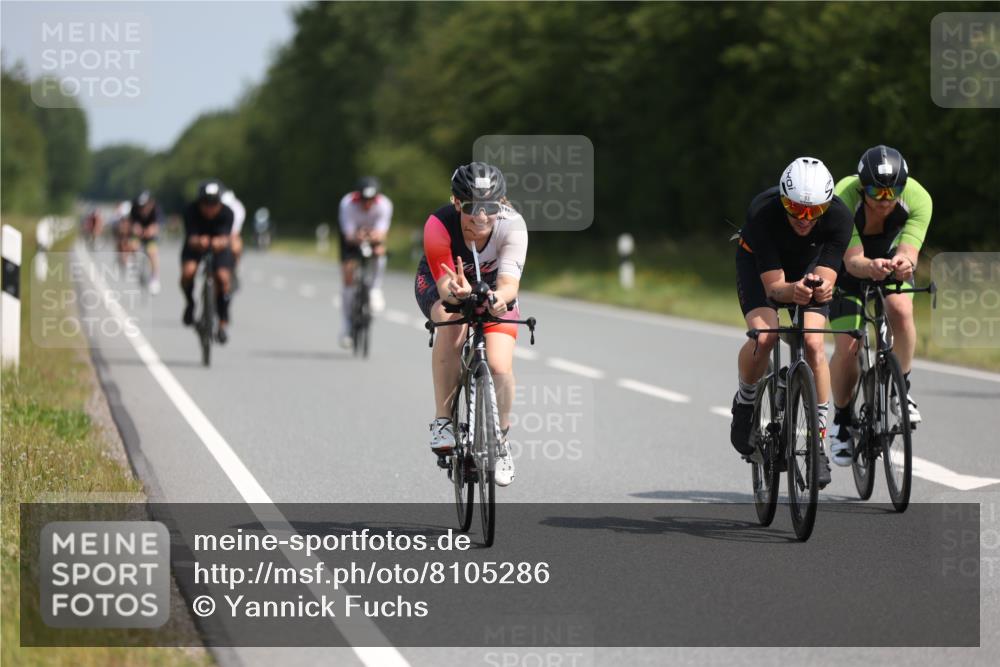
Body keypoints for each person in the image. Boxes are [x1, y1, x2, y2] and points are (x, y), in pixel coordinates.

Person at [730, 157, 854, 489]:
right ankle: (745, 401)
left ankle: (818, 444)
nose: (803, 219)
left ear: (826, 207)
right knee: (766, 335)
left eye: (813, 212)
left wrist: (821, 287)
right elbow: (774, 288)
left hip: (808, 264)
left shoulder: (841, 217)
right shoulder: (763, 211)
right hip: (760, 266)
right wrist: (791, 290)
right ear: (783, 199)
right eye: (795, 209)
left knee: (814, 344)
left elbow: (826, 275)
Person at [414, 162, 528, 487]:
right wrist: (457, 293)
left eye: (490, 208)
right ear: (455, 203)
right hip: (446, 282)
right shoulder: (439, 224)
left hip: (494, 288)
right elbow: (446, 289)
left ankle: (501, 440)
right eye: (470, 207)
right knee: (451, 321)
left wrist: (495, 298)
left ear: (502, 205)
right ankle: (443, 421)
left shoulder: (513, 227)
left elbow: (509, 286)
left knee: (499, 365)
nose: (480, 218)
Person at [827, 146, 932, 466]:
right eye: (876, 190)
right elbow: (854, 260)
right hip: (848, 269)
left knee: (900, 309)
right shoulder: (843, 197)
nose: (885, 198)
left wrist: (904, 263)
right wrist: (868, 267)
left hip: (888, 264)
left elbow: (910, 253)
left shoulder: (918, 198)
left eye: (892, 190)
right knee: (848, 346)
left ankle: (903, 388)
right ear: (862, 186)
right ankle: (841, 421)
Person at [338, 177, 392, 347]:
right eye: (364, 200)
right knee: (348, 273)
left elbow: (382, 232)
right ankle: (347, 325)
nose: (367, 204)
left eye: (371, 201)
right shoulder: (347, 204)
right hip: (352, 238)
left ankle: (375, 288)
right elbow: (348, 235)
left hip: (372, 236)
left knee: (379, 252)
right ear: (357, 198)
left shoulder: (384, 205)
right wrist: (358, 238)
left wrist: (374, 239)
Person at [180, 180, 236, 344]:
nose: (210, 208)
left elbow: (226, 238)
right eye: (206, 204)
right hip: (196, 246)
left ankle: (222, 323)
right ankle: (190, 303)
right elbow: (190, 237)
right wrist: (198, 241)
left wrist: (221, 242)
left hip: (218, 248)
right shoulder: (190, 211)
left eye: (214, 204)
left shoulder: (227, 213)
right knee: (188, 272)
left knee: (224, 279)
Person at [125, 190, 163, 294]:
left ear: (150, 203)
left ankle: (154, 279)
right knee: (132, 245)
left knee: (152, 253)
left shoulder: (156, 209)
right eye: (140, 206)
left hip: (151, 234)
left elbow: (158, 225)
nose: (143, 209)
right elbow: (131, 223)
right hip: (138, 233)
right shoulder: (134, 208)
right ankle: (133, 262)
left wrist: (151, 230)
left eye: (145, 206)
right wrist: (135, 228)